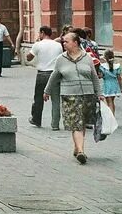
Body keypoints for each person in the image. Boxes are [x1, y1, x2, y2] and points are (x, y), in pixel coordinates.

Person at [44, 32, 103, 165]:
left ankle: (77, 147)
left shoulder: (87, 58)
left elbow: (94, 76)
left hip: (87, 95)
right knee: (76, 123)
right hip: (69, 96)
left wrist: (99, 93)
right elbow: (54, 76)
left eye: (66, 41)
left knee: (81, 122)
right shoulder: (61, 59)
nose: (64, 44)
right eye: (63, 42)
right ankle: (81, 151)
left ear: (75, 43)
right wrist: (46, 91)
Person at [26, 25, 63, 130]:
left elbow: (29, 58)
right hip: (55, 73)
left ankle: (36, 119)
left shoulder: (38, 45)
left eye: (39, 33)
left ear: (42, 33)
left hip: (42, 74)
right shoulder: (58, 45)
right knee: (56, 99)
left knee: (38, 98)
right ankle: (55, 124)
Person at [99, 50, 122, 116]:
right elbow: (119, 78)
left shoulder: (103, 66)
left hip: (107, 85)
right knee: (112, 102)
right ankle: (113, 117)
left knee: (109, 103)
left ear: (105, 57)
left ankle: (111, 119)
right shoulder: (117, 66)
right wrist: (121, 88)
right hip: (115, 85)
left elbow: (101, 76)